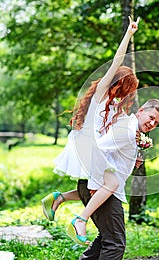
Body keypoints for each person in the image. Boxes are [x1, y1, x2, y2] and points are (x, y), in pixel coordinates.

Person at [41, 17, 139, 228]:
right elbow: (116, 61)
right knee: (111, 183)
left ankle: (59, 198)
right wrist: (128, 35)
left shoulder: (113, 106)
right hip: (87, 145)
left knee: (98, 186)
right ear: (118, 84)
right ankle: (80, 221)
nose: (125, 95)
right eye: (125, 89)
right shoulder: (101, 94)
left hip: (91, 146)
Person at [66, 98, 159, 260]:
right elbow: (98, 148)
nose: (152, 124)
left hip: (99, 186)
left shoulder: (129, 130)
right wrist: (97, 183)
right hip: (102, 189)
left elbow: (111, 152)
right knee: (116, 242)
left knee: (107, 237)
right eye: (151, 117)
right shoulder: (126, 131)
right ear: (141, 111)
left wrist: (131, 158)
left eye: (156, 123)